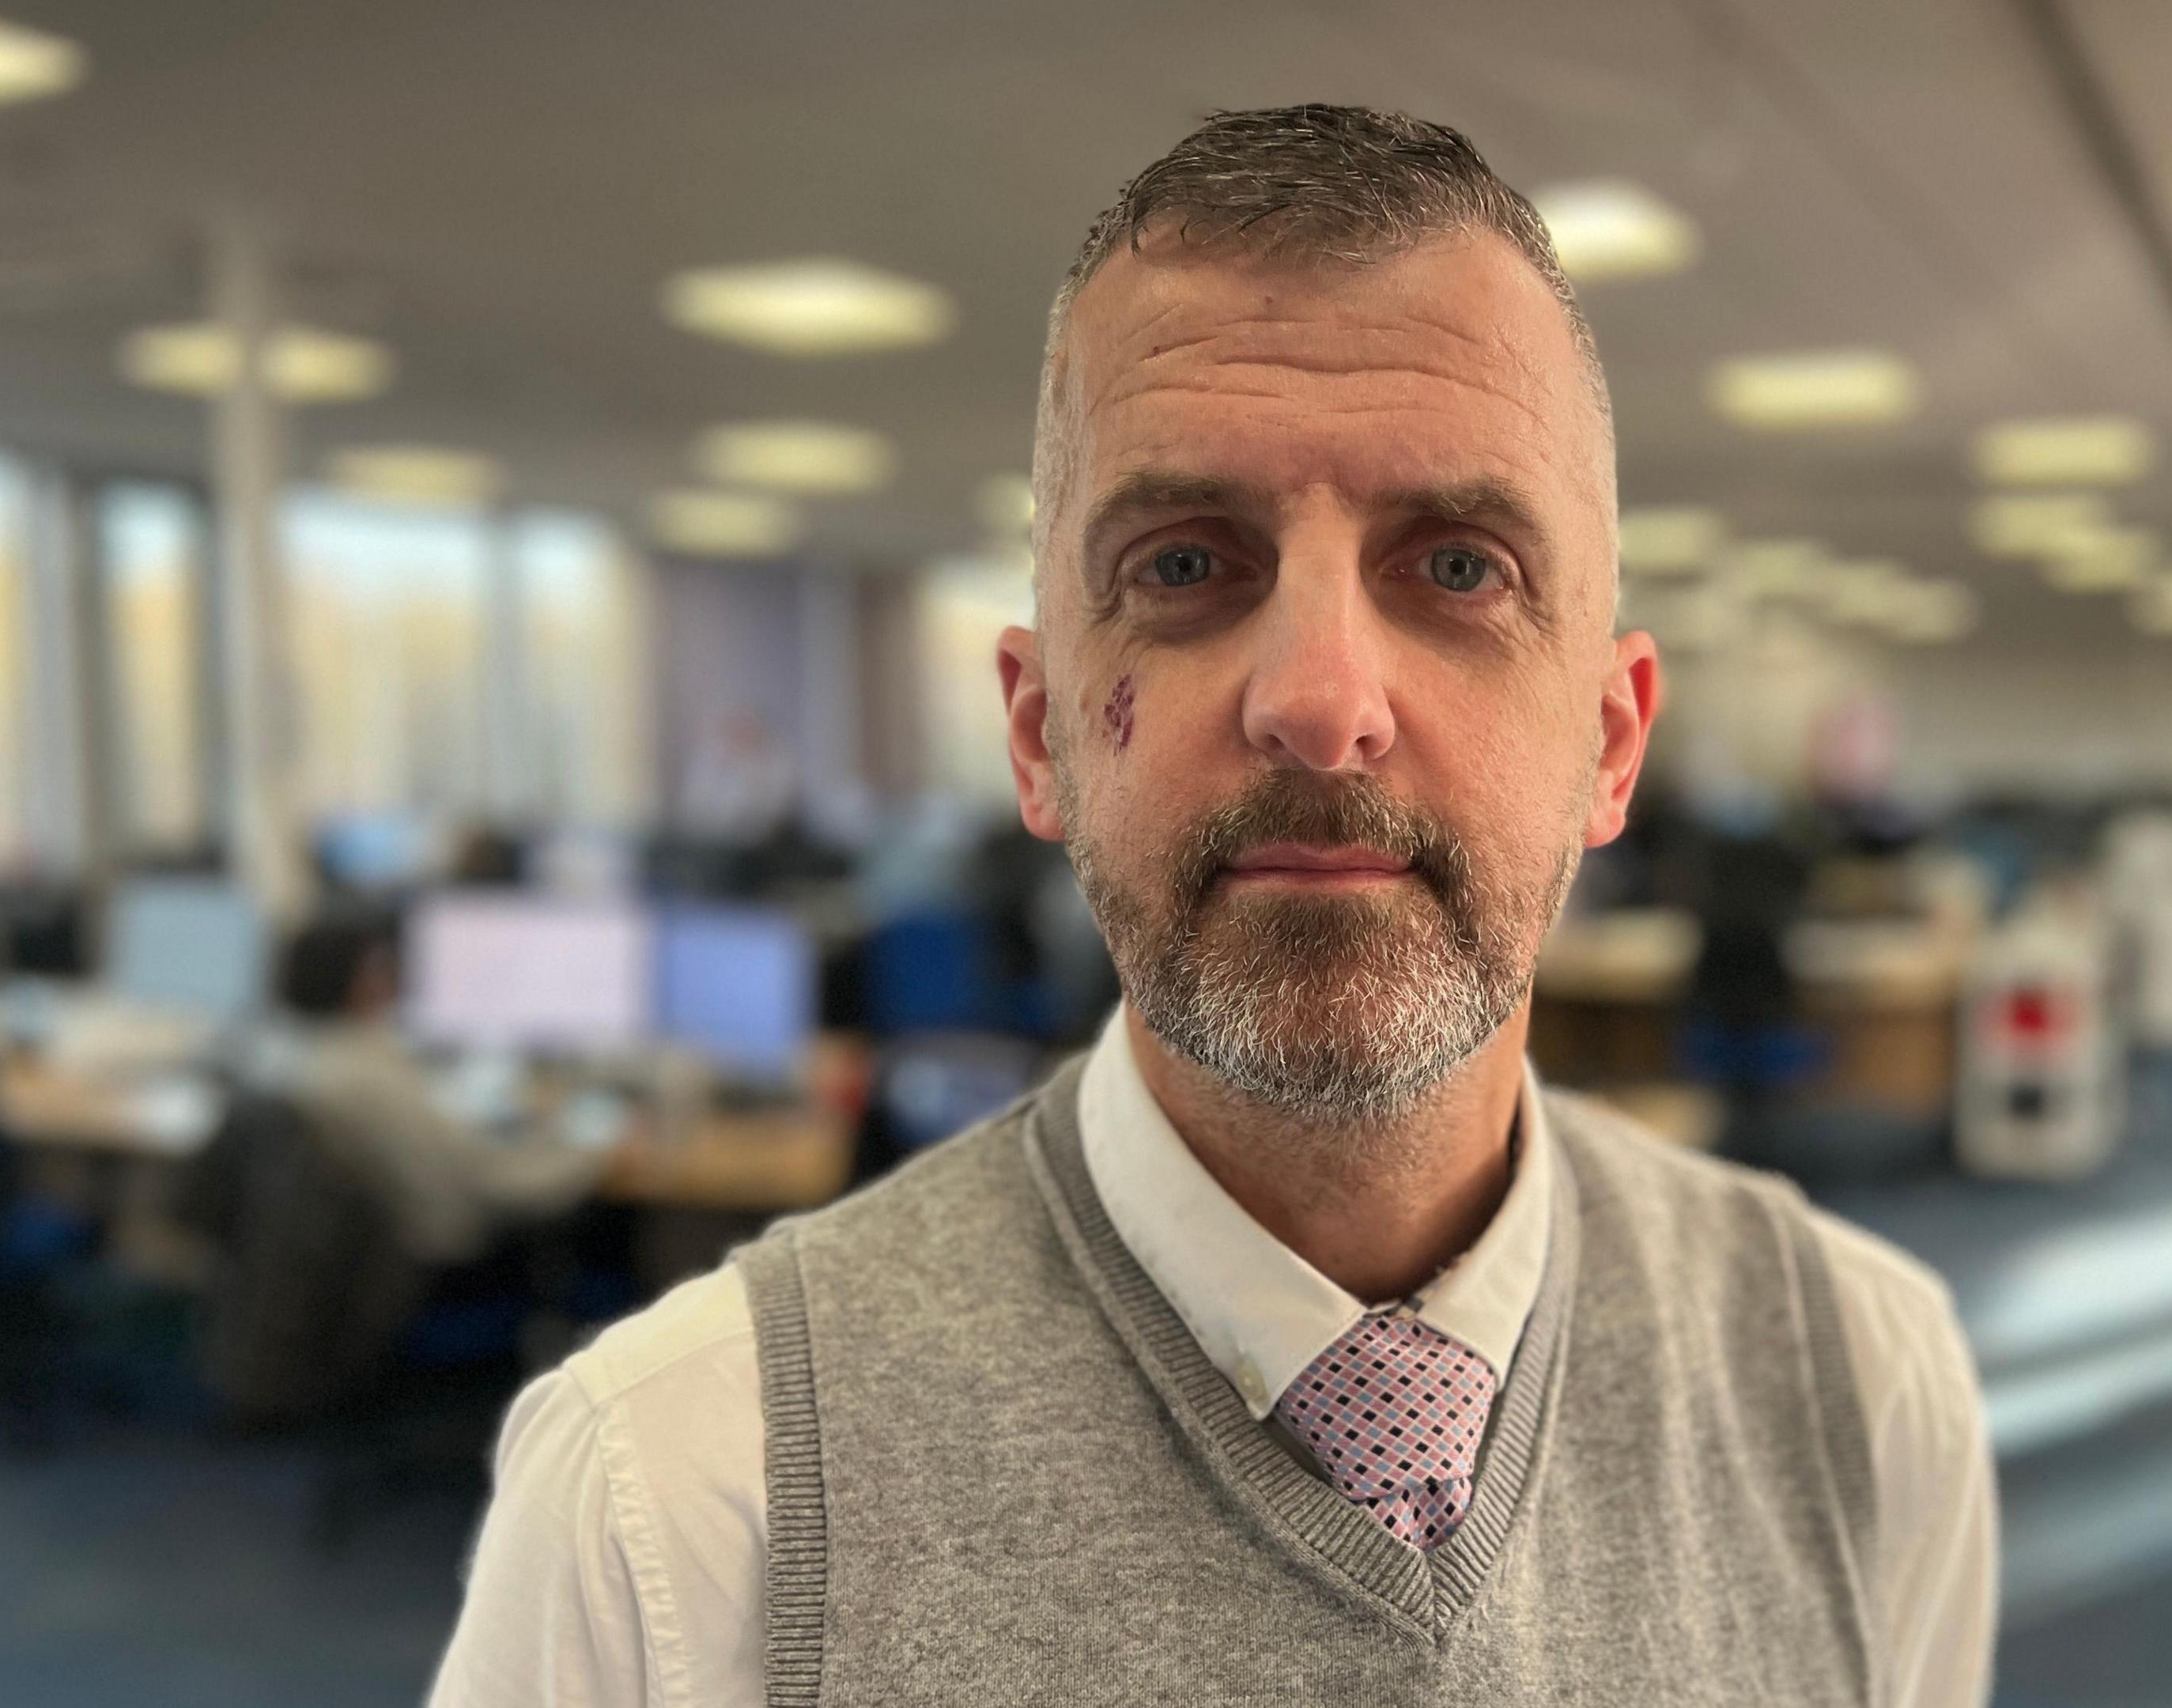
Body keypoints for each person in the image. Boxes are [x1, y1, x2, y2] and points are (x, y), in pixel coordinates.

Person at [432, 105, 1994, 1706]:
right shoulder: (675, 1507)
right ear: (1040, 736)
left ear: (1609, 744)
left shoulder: (1862, 1392)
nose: (1320, 703)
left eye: (1459, 569)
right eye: (1185, 566)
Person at [262, 913, 608, 1267]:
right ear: (354, 977)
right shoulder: (363, 1074)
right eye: (381, 965)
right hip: (441, 1261)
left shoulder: (317, 1056)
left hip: (383, 1255)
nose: (393, 977)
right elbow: (483, 1175)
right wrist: (592, 1159)